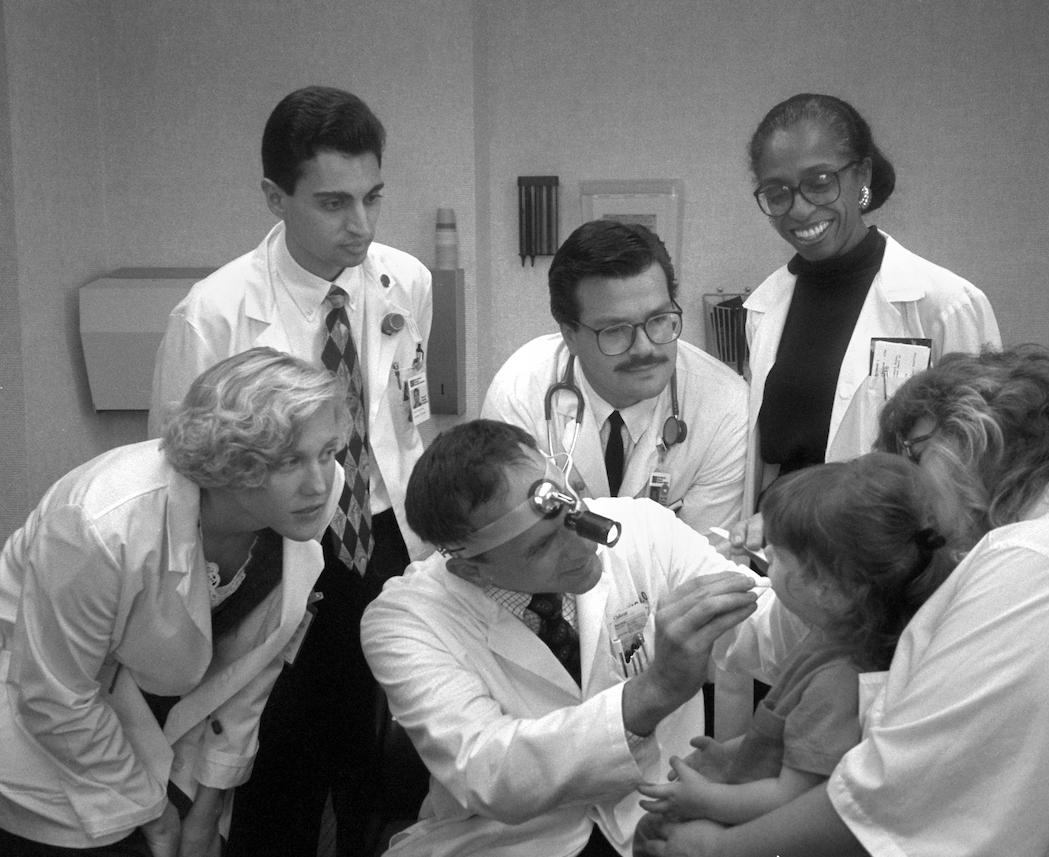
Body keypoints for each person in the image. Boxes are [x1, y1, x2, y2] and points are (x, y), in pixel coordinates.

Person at [641, 346, 1049, 857]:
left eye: (913, 459)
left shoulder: (1044, 561)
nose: (916, 498)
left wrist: (717, 850)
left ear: (966, 438)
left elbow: (898, 795)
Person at [148, 86, 432, 857]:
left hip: (383, 534)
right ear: (275, 198)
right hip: (275, 545)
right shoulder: (213, 314)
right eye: (334, 203)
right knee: (279, 749)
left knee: (380, 743)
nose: (362, 225)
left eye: (373, 196)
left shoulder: (405, 280)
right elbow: (179, 472)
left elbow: (406, 411)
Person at [360, 419, 786, 857]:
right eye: (542, 546)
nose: (585, 547)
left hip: (658, 814)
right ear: (471, 569)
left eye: (577, 516)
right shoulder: (406, 619)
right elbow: (488, 772)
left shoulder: (644, 529)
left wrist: (810, 571)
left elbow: (770, 632)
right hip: (511, 840)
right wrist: (654, 692)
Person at [0, 347, 346, 857]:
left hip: (162, 723)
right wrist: (152, 814)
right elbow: (55, 695)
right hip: (48, 740)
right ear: (229, 459)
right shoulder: (100, 526)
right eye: (289, 461)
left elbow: (248, 671)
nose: (319, 483)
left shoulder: (301, 507)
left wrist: (206, 806)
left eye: (328, 452)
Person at [636, 453, 957, 840]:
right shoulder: (830, 638)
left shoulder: (837, 683)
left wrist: (702, 800)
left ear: (827, 588)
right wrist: (737, 752)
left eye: (779, 555)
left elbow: (790, 797)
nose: (766, 557)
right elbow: (792, 736)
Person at [735, 92, 1000, 543]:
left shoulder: (944, 305)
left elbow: (977, 465)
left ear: (862, 176)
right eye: (777, 193)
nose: (799, 209)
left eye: (820, 183)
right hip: (784, 551)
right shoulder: (764, 308)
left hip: (896, 554)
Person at [482, 219, 748, 536]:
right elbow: (511, 544)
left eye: (659, 319)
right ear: (570, 336)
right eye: (615, 330)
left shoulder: (725, 404)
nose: (645, 348)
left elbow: (708, 557)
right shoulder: (519, 392)